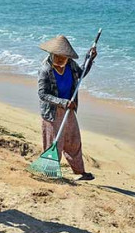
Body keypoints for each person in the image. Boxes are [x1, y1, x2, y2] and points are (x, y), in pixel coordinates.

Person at [37, 34, 97, 181]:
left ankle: (80, 172)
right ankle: (50, 173)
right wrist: (63, 103)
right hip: (52, 111)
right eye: (57, 57)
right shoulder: (45, 69)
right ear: (52, 54)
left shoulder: (70, 64)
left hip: (69, 109)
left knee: (73, 140)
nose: (59, 61)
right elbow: (43, 94)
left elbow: (81, 73)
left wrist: (90, 59)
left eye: (63, 58)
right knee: (54, 143)